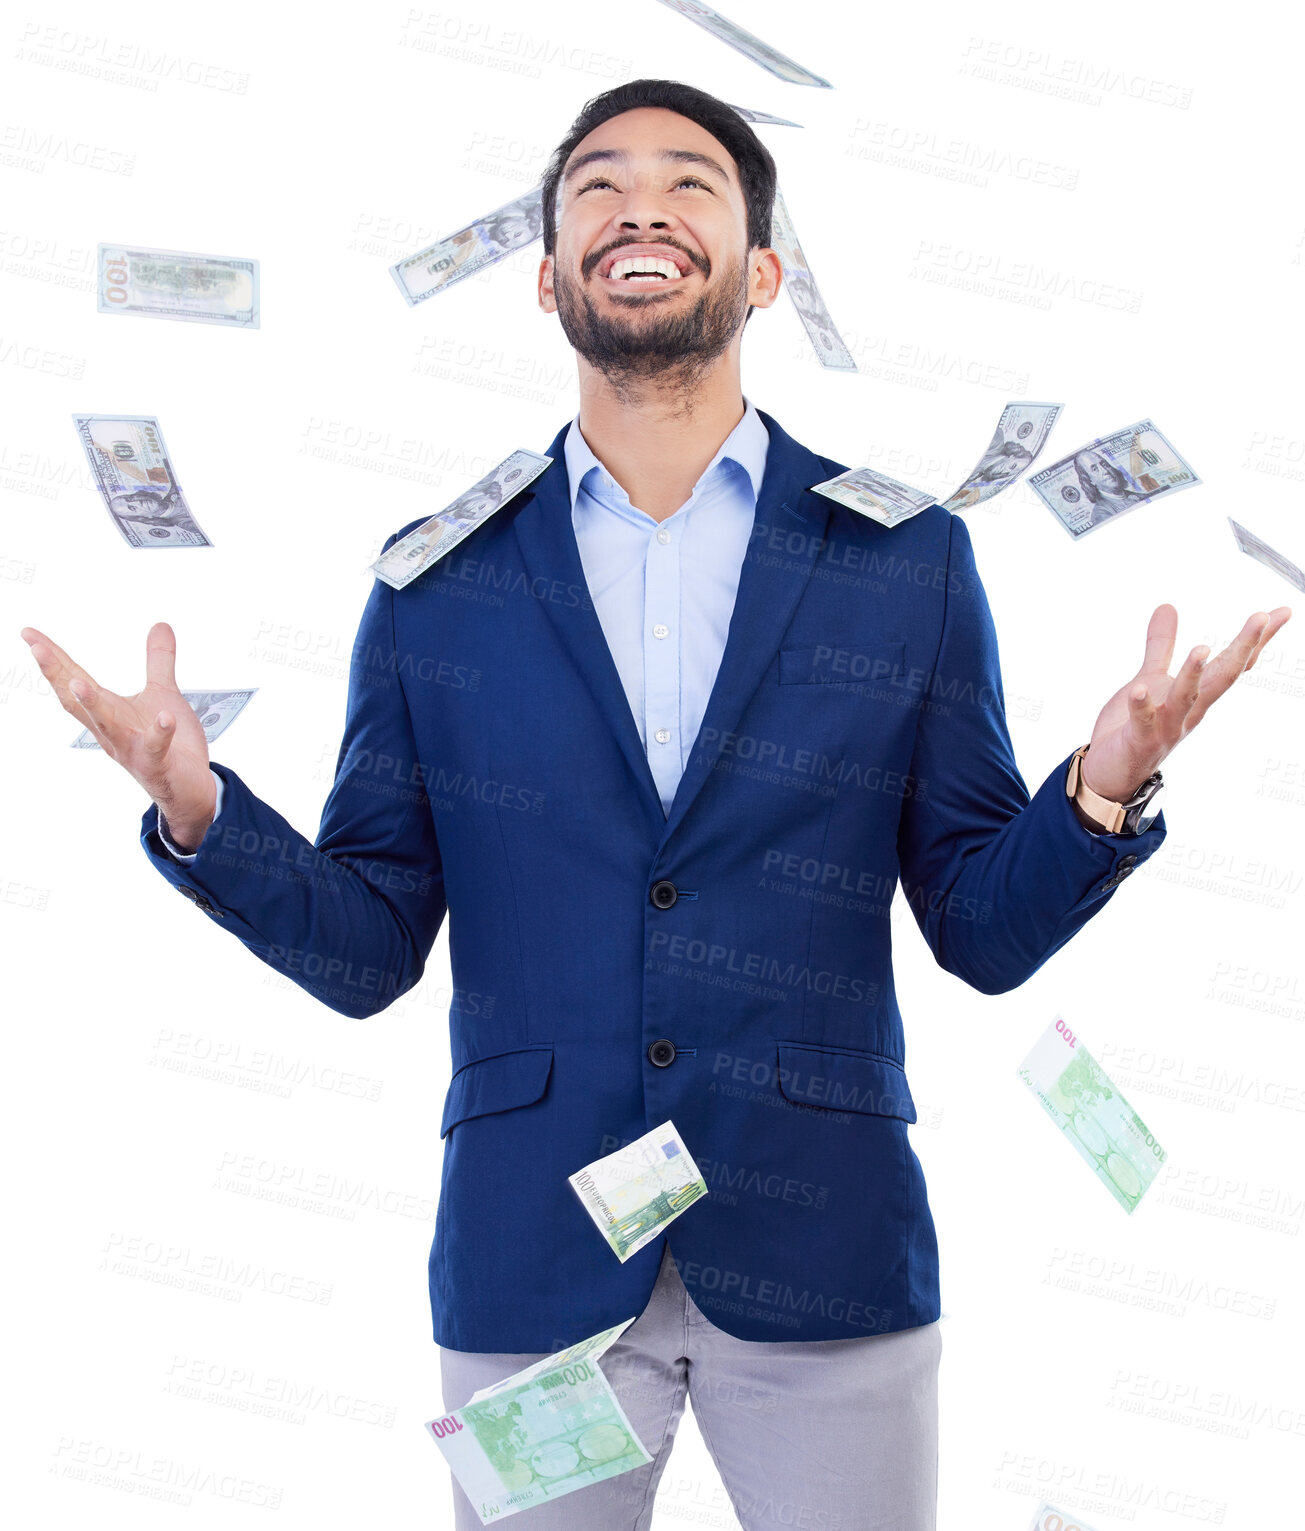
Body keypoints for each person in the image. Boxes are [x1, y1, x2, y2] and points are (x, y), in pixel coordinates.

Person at [19, 79, 1291, 1531]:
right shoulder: (435, 583)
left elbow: (981, 935)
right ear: (548, 275)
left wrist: (1100, 792)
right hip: (530, 1266)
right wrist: (200, 815)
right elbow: (369, 952)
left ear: (760, 271)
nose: (642, 204)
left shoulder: (906, 560)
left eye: (691, 183)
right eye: (597, 187)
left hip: (827, 1258)